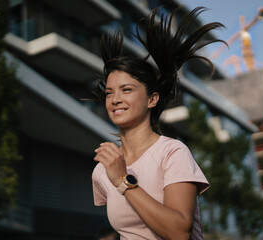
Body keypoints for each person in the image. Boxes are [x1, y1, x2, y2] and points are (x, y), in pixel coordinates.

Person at [91, 6, 226, 240]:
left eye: (127, 90)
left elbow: (179, 232)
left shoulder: (172, 153)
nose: (115, 100)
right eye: (110, 93)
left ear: (152, 99)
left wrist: (123, 180)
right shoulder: (103, 169)